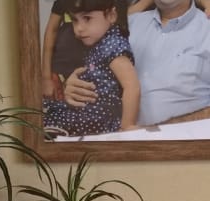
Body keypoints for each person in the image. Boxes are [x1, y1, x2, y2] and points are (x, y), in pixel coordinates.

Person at [63, 0, 210, 127]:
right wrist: (73, 87)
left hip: (185, 149)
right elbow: (93, 68)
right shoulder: (122, 28)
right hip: (113, 144)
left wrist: (152, 132)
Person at [43, 0, 140, 137]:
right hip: (88, 112)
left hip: (98, 117)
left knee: (49, 120)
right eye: (75, 20)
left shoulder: (113, 45)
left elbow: (132, 87)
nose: (79, 28)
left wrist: (127, 125)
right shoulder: (98, 43)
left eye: (87, 18)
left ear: (111, 15)